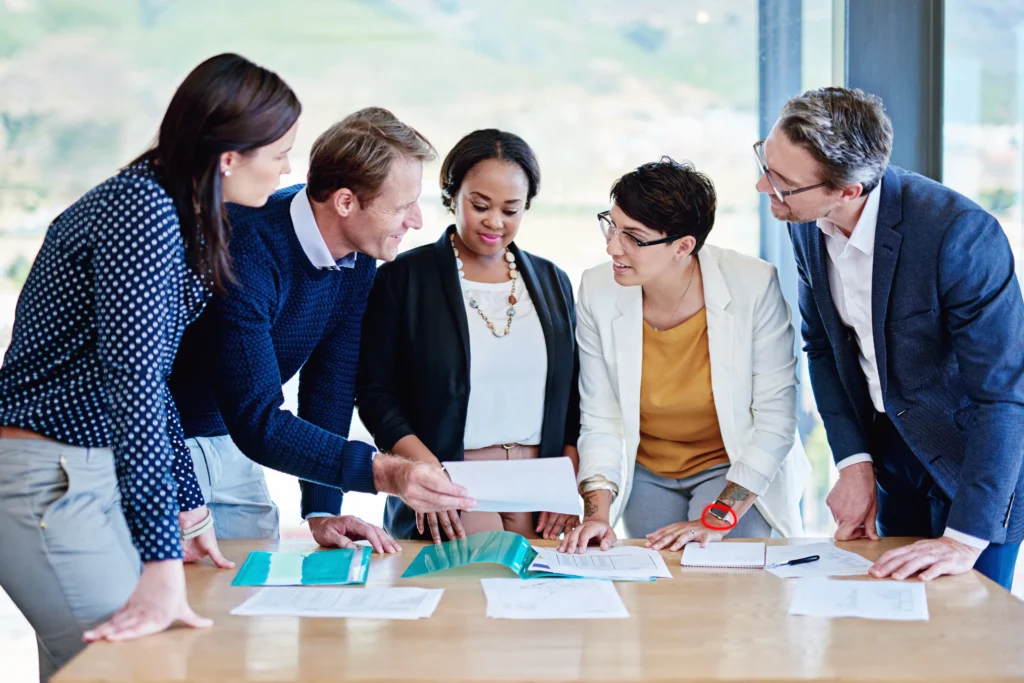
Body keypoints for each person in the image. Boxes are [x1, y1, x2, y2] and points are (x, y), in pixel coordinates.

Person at [0, 53, 300, 678]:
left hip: (84, 472)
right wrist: (162, 560)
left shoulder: (175, 213)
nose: (287, 170)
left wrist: (188, 510)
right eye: (280, 154)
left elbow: (151, 380)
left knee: (96, 666)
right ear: (229, 158)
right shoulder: (144, 212)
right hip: (46, 476)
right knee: (138, 663)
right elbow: (131, 386)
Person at [169, 108, 477, 552]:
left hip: (236, 445)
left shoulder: (359, 255)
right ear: (346, 202)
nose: (416, 222)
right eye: (402, 207)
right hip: (168, 444)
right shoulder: (247, 248)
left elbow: (329, 386)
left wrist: (322, 509)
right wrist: (386, 472)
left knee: (247, 594)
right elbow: (258, 417)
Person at [759, 86, 1024, 589]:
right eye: (766, 163)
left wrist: (963, 539)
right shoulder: (805, 221)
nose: (761, 187)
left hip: (976, 466)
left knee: (967, 633)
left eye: (781, 183)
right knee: (890, 626)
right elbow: (823, 348)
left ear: (847, 191)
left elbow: (1005, 395)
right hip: (889, 455)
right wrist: (854, 463)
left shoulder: (960, 235)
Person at [560, 158, 809, 554]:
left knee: (722, 580)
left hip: (734, 465)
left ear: (683, 246)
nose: (612, 247)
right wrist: (596, 516)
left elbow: (775, 420)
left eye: (633, 237)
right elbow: (600, 417)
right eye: (611, 225)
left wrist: (717, 517)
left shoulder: (753, 285)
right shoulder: (596, 289)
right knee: (658, 589)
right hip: (646, 470)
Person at [357, 129, 581, 544]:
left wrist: (568, 479)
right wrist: (427, 474)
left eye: (511, 210)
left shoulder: (553, 281)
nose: (495, 222)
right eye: (481, 205)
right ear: (452, 194)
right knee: (470, 595)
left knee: (544, 602)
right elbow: (374, 394)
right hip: (452, 481)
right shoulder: (403, 279)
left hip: (542, 486)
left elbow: (574, 393)